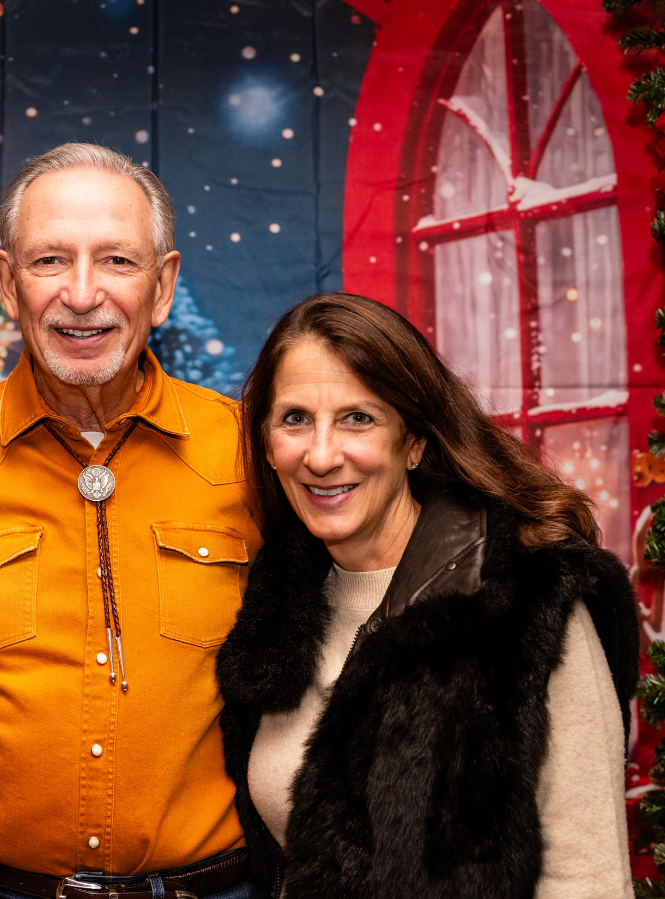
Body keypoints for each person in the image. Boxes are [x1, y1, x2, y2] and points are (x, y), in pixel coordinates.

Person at [0, 143, 262, 897]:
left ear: (164, 286)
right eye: (49, 261)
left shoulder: (248, 455)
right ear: (8, 285)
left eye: (117, 261)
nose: (82, 295)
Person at [216, 292, 638, 898]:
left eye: (358, 418)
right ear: (265, 441)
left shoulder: (522, 603)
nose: (321, 455)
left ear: (413, 443)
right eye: (295, 419)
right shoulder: (278, 606)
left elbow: (587, 876)